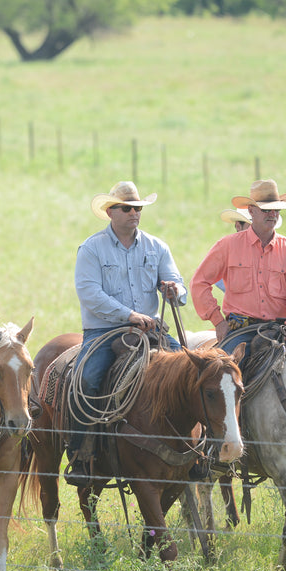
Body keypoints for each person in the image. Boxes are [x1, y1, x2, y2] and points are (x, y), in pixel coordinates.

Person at [67, 181, 187, 485]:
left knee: (191, 375)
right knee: (87, 379)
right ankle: (82, 454)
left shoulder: (157, 247)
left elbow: (177, 282)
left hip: (151, 330)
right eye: (127, 208)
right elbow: (89, 293)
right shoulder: (92, 248)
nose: (134, 213)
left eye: (138, 208)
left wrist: (174, 289)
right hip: (104, 332)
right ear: (111, 212)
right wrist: (129, 315)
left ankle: (195, 453)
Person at [191, 179, 286, 359]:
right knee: (223, 375)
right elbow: (199, 283)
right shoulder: (227, 246)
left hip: (280, 330)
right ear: (251, 211)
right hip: (241, 331)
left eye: (276, 210)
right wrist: (218, 322)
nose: (272, 214)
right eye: (266, 210)